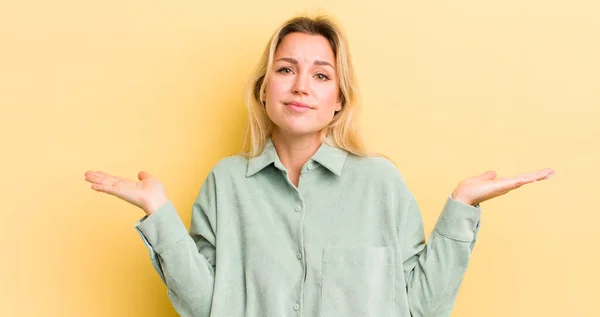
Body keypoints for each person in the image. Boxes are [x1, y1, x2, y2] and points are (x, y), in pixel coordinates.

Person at [84, 14, 555, 317]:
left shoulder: (380, 183)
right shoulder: (225, 183)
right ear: (263, 89)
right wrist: (159, 213)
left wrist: (461, 207)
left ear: (338, 101)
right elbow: (207, 306)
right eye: (286, 69)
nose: (301, 86)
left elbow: (420, 308)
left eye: (321, 74)